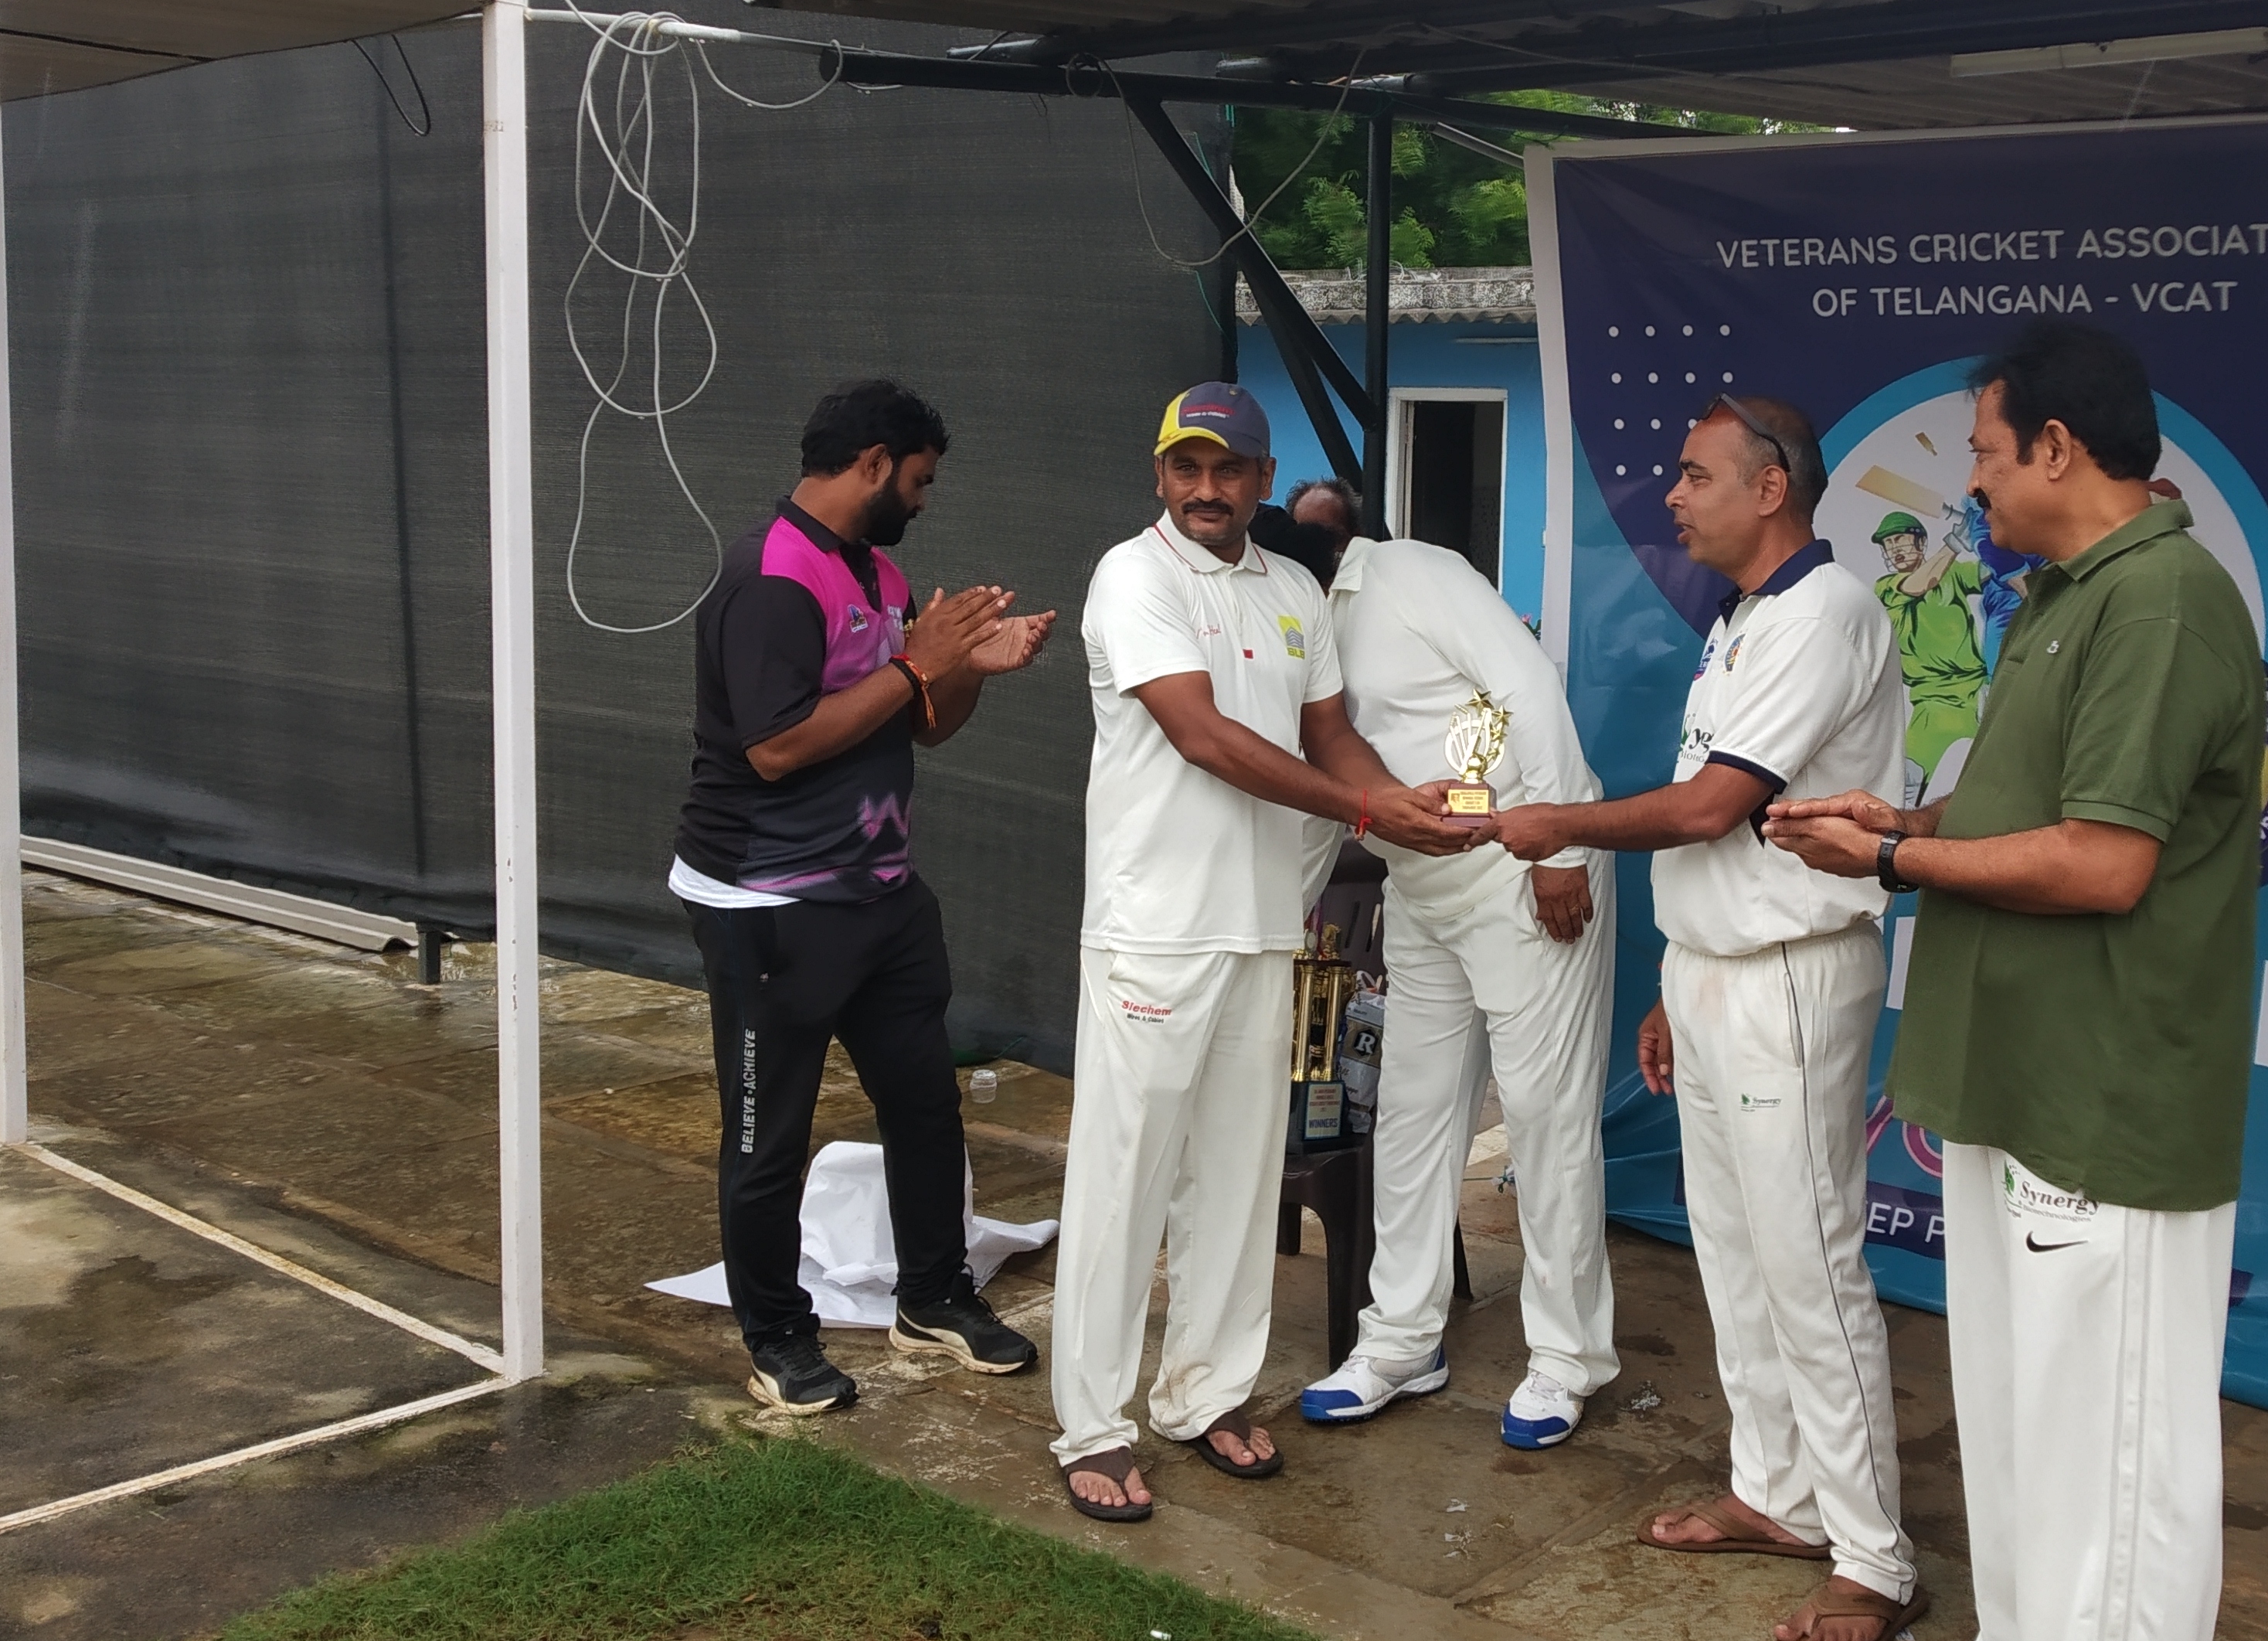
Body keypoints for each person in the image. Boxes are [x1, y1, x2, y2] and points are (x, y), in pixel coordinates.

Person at [1767, 321, 2263, 1641]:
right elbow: (2036, 811)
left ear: (2056, 446)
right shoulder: (2061, 595)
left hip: (2105, 1102)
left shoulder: (2162, 600)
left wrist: (1892, 860)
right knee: (2014, 1420)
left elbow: (2106, 863)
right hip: (2011, 1083)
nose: (1972, 483)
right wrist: (1900, 826)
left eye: (1985, 452)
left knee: (2112, 1451)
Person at [1488, 395, 1918, 1641]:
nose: (1672, 496)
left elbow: (1710, 808)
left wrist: (1559, 824)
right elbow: (1716, 839)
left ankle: (1874, 1556)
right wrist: (1678, 979)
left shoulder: (1825, 612)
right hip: (1725, 970)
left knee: (1809, 1264)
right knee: (1735, 1255)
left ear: (1771, 488)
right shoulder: (1744, 619)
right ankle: (1776, 1494)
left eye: (1695, 474)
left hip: (1792, 978)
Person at [1052, 383, 1477, 1523]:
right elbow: (1204, 737)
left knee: (1238, 1179)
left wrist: (1400, 799)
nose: (1207, 488)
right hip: (1153, 930)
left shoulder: (1293, 589)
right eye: (1187, 467)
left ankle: (1205, 1393)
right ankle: (1093, 1424)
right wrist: (1370, 810)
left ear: (1260, 477)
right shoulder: (1131, 576)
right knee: (1125, 1181)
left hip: (1263, 922)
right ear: (1159, 473)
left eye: (1228, 468)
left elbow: (1329, 736)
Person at [672, 379, 1057, 1415]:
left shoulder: (878, 573)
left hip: (881, 898)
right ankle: (777, 1337)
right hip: (767, 907)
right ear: (875, 464)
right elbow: (775, 747)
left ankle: (932, 1297)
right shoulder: (770, 576)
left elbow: (921, 722)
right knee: (769, 1138)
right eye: (919, 482)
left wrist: (965, 667)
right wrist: (918, 663)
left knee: (924, 1103)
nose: (924, 502)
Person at [1297, 532, 1618, 1449]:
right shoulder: (1295, 618)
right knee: (1412, 1111)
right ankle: (1401, 1340)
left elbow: (1528, 688)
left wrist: (1560, 846)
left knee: (1545, 1117)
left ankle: (1566, 1359)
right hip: (1420, 885)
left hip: (1519, 873)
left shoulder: (1411, 573)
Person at [1871, 505, 1988, 799]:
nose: (1894, 549)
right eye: (1888, 543)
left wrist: (1995, 535)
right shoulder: (1886, 587)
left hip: (1978, 697)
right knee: (1907, 789)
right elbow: (1923, 583)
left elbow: (1996, 572)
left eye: (1900, 539)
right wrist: (1956, 543)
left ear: (1921, 542)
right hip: (1931, 705)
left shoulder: (1955, 575)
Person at [1284, 476, 1369, 573]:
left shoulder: (1375, 578)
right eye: (1305, 538)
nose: (1318, 547)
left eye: (1330, 537)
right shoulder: (1281, 579)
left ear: (1356, 535)